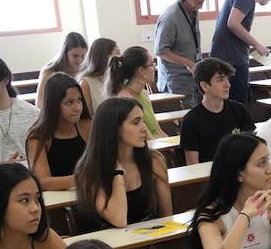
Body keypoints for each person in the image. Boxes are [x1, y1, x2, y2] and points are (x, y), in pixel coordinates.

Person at [75, 97, 173, 229]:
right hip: (109, 245)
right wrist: (117, 171)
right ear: (114, 129)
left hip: (150, 241)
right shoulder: (90, 170)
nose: (144, 128)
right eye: (136, 122)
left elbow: (167, 217)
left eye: (143, 121)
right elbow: (119, 219)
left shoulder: (154, 161)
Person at [211, 0, 271, 105]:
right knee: (237, 105)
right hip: (231, 60)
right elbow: (232, 23)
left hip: (230, 57)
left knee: (233, 105)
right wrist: (257, 45)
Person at [180, 58, 255, 165]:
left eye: (227, 79)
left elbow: (251, 150)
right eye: (220, 80)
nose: (228, 85)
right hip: (209, 178)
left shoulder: (239, 110)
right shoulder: (191, 121)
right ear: (205, 86)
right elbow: (193, 166)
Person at [26, 73, 91, 191]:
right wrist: (82, 178)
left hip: (88, 194)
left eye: (79, 100)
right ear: (53, 105)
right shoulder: (38, 137)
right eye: (69, 102)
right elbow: (43, 181)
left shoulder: (86, 125)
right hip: (57, 203)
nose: (77, 108)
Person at [154, 0, 207, 109]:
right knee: (187, 123)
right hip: (175, 83)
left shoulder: (194, 12)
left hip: (192, 80)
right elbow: (160, 51)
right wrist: (187, 62)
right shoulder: (170, 17)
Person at [107, 46, 166, 139]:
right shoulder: (127, 99)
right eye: (152, 64)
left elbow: (158, 131)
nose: (155, 68)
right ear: (141, 71)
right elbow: (148, 138)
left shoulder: (143, 94)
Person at [36, 32, 88, 107]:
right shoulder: (49, 72)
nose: (79, 60)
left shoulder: (84, 70)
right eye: (75, 56)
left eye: (83, 56)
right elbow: (39, 103)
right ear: (65, 53)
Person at [79, 38, 120, 114]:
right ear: (106, 56)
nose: (120, 57)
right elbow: (87, 117)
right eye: (117, 53)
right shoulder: (86, 83)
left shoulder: (118, 78)